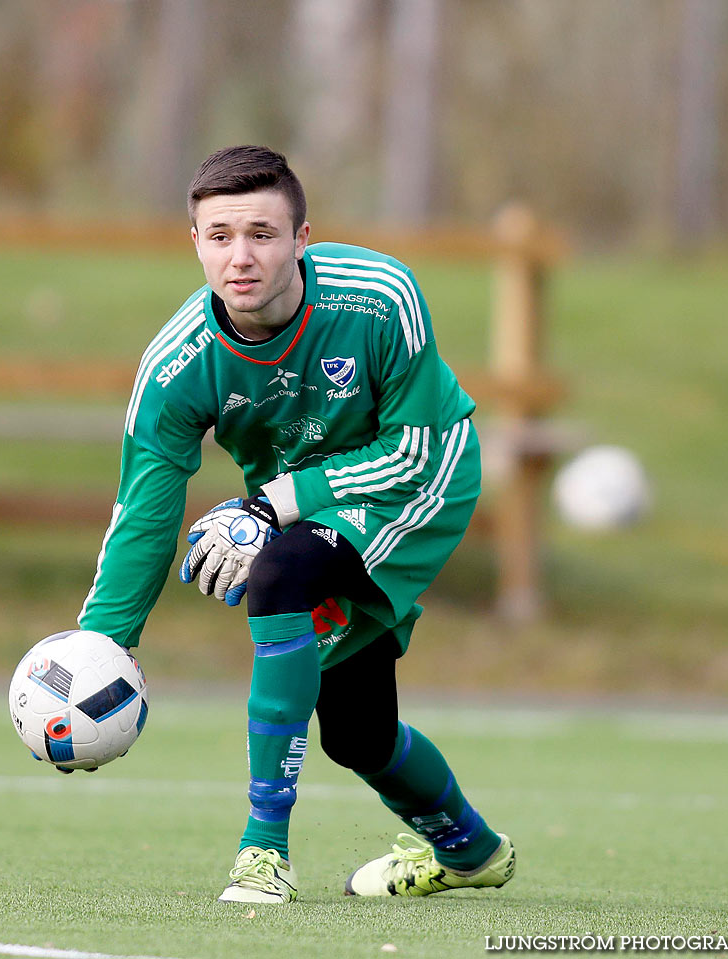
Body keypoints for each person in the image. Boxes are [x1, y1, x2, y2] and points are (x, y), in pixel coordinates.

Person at [75, 145, 516, 904]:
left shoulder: (381, 294)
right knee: (357, 732)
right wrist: (100, 646)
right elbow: (145, 510)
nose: (240, 257)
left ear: (302, 238)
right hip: (304, 506)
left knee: (279, 572)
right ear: (195, 244)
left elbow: (410, 450)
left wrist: (270, 506)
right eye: (219, 236)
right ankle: (472, 851)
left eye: (262, 233)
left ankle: (263, 851)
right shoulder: (177, 365)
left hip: (426, 476)